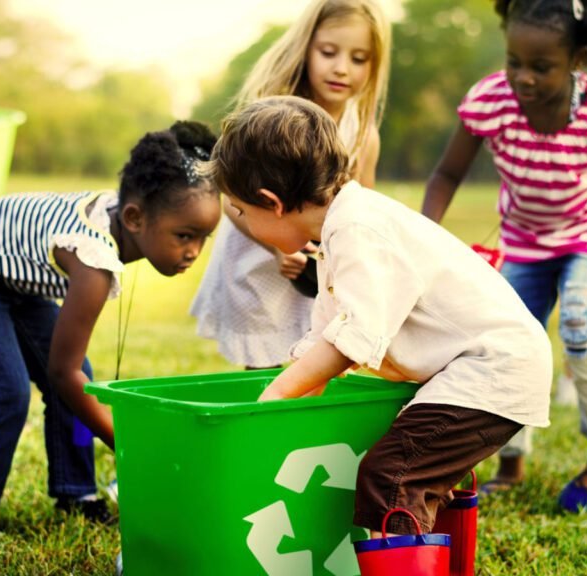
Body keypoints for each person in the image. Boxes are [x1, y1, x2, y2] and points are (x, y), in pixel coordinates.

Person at [204, 94, 552, 539]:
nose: (243, 223)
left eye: (240, 211)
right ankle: (441, 564)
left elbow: (350, 343)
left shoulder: (357, 230)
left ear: (271, 202)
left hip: (492, 368)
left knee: (392, 477)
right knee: (414, 477)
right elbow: (325, 339)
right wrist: (290, 406)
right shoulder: (341, 230)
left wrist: (274, 396)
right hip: (480, 368)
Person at [0, 122, 221, 537]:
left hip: (12, 277)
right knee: (6, 392)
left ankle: (76, 493)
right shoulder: (92, 260)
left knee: (82, 382)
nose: (193, 252)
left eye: (204, 238)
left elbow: (71, 374)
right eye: (185, 236)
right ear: (133, 218)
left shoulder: (124, 215)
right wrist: (124, 442)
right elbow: (63, 373)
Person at [422, 0, 587, 511]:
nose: (522, 77)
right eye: (514, 61)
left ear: (578, 59)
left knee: (579, 318)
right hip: (525, 240)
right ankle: (510, 463)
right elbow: (447, 174)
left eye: (541, 67)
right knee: (507, 340)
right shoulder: (491, 100)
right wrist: (426, 236)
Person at [190, 0, 390, 369]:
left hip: (315, 270)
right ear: (306, 48)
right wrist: (276, 248)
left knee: (315, 361)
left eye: (359, 59)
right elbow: (232, 199)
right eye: (328, 52)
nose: (341, 68)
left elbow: (362, 211)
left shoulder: (362, 134)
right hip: (259, 260)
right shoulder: (272, 117)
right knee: (264, 367)